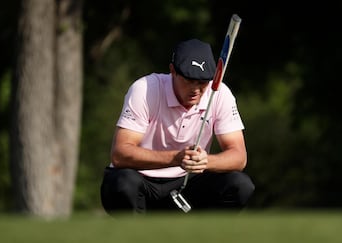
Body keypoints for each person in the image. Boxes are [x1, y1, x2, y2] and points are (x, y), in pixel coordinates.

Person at [100, 38, 255, 214]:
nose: (196, 89)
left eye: (203, 81)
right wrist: (176, 158)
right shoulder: (145, 89)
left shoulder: (220, 94)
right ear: (173, 71)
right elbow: (120, 154)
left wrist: (205, 161)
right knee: (122, 183)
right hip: (141, 180)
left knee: (240, 185)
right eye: (189, 80)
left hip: (188, 184)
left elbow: (239, 157)